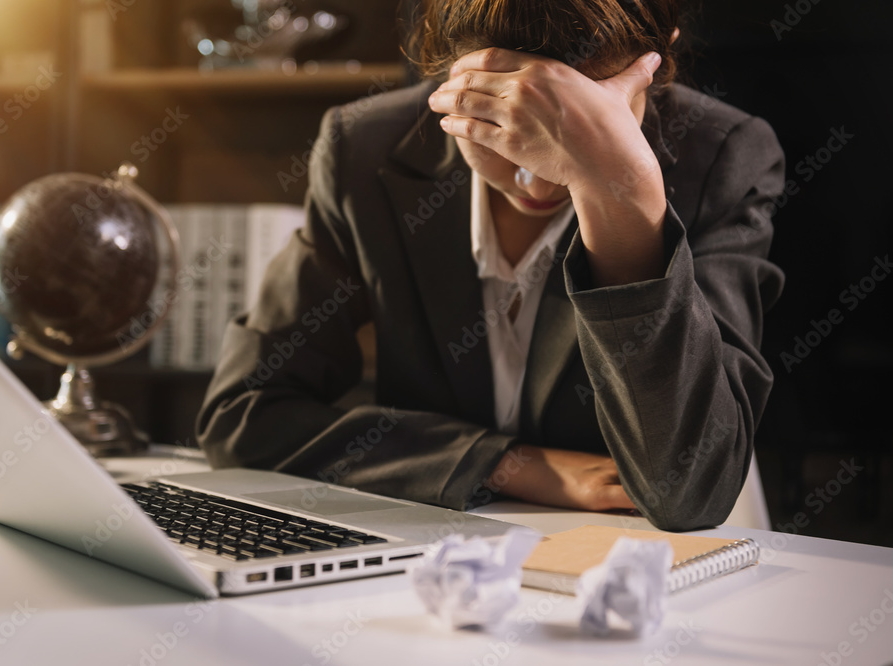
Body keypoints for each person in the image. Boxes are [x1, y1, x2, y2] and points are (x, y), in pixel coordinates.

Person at [197, 0, 784, 531]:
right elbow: (243, 414)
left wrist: (619, 196)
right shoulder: (364, 150)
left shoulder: (723, 159)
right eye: (497, 121)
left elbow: (688, 492)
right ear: (444, 69)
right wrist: (507, 464)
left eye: (586, 124)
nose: (536, 175)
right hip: (435, 562)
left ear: (657, 65)